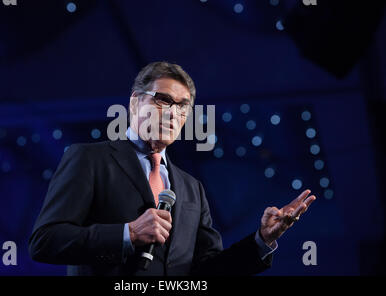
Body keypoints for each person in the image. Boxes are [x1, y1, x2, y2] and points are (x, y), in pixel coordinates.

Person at [28, 61, 316, 275]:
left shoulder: (191, 188)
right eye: (163, 99)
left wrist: (263, 239)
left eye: (182, 106)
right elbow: (45, 241)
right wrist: (127, 233)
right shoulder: (89, 159)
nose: (173, 112)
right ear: (134, 102)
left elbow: (209, 271)